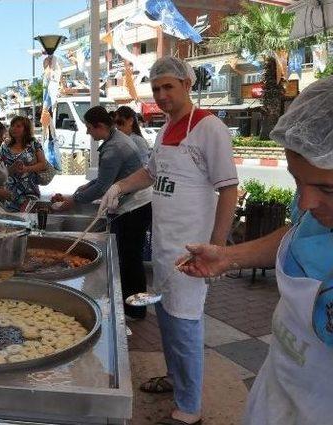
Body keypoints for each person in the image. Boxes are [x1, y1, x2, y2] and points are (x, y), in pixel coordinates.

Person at [177, 76, 333, 425]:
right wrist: (228, 257)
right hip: (278, 393)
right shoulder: (317, 212)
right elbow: (299, 235)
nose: (306, 202)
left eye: (327, 189)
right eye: (297, 181)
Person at [99, 57, 239, 425]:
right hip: (163, 249)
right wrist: (120, 186)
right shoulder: (164, 130)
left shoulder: (209, 128)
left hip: (192, 252)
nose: (161, 96)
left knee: (186, 325)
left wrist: (218, 249)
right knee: (168, 322)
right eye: (156, 88)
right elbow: (151, 172)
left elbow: (229, 190)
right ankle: (176, 380)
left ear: (187, 85)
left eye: (168, 88)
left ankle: (190, 408)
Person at [52, 106, 152, 319]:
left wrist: (74, 200)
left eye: (89, 128)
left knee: (129, 260)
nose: (88, 133)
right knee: (129, 259)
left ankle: (135, 309)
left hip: (134, 207)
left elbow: (103, 187)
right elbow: (103, 179)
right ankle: (133, 306)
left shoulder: (114, 148)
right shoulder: (116, 141)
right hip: (136, 205)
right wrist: (82, 188)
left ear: (99, 126)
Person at [0, 116, 47, 211]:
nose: (13, 128)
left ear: (26, 129)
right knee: (12, 221)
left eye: (18, 126)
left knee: (28, 220)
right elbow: (0, 168)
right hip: (10, 192)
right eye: (12, 125)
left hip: (30, 190)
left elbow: (43, 164)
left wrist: (26, 169)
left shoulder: (33, 144)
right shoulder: (5, 146)